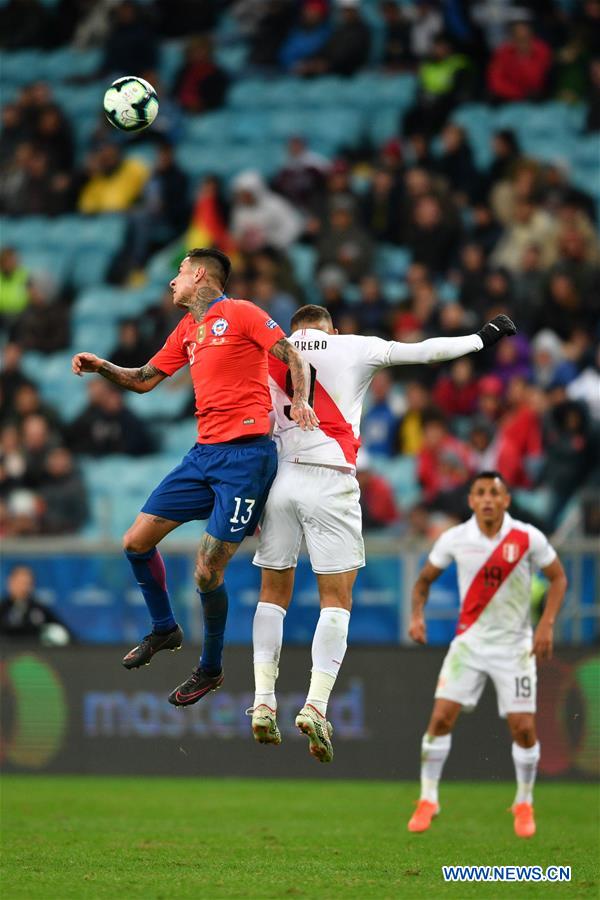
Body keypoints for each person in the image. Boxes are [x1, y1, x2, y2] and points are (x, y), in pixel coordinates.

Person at [248, 304, 517, 761]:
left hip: (281, 480)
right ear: (332, 328)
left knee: (272, 595)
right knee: (336, 599)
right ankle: (315, 705)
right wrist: (481, 338)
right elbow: (426, 353)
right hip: (330, 477)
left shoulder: (269, 353)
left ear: (293, 329)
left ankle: (262, 700)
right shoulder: (353, 345)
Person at [71, 248, 318, 707]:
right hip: (202, 457)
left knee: (207, 571)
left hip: (246, 461)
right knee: (134, 542)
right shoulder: (188, 328)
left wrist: (301, 401)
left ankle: (210, 668)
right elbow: (146, 378)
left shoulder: (241, 313)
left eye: (180, 272)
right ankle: (165, 628)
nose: (172, 281)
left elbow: (293, 358)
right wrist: (103, 366)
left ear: (200, 274)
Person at [407, 471, 567, 838]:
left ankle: (524, 801)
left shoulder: (527, 537)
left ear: (507, 500)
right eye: (481, 493)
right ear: (471, 501)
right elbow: (423, 581)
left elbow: (558, 578)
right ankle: (428, 798)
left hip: (514, 647)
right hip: (470, 644)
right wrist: (417, 616)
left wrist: (546, 625)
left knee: (524, 728)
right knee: (441, 719)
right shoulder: (456, 538)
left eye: (495, 493)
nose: (488, 499)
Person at [0, 565, 72, 641]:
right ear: (10, 582)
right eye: (19, 582)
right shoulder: (2, 608)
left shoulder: (39, 609)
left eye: (27, 583)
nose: (23, 587)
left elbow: (64, 631)